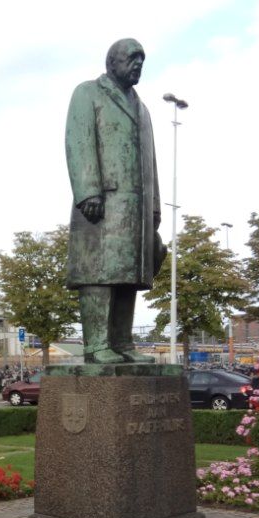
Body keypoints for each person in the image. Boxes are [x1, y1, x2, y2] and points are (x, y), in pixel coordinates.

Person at [64, 38, 167, 363]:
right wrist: (88, 191)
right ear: (112, 63)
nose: (138, 64)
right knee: (98, 273)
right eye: (132, 58)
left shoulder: (143, 108)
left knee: (128, 275)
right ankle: (96, 345)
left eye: (142, 60)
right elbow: (79, 141)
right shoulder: (87, 93)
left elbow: (151, 163)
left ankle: (122, 343)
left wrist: (154, 209)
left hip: (136, 211)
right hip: (101, 204)